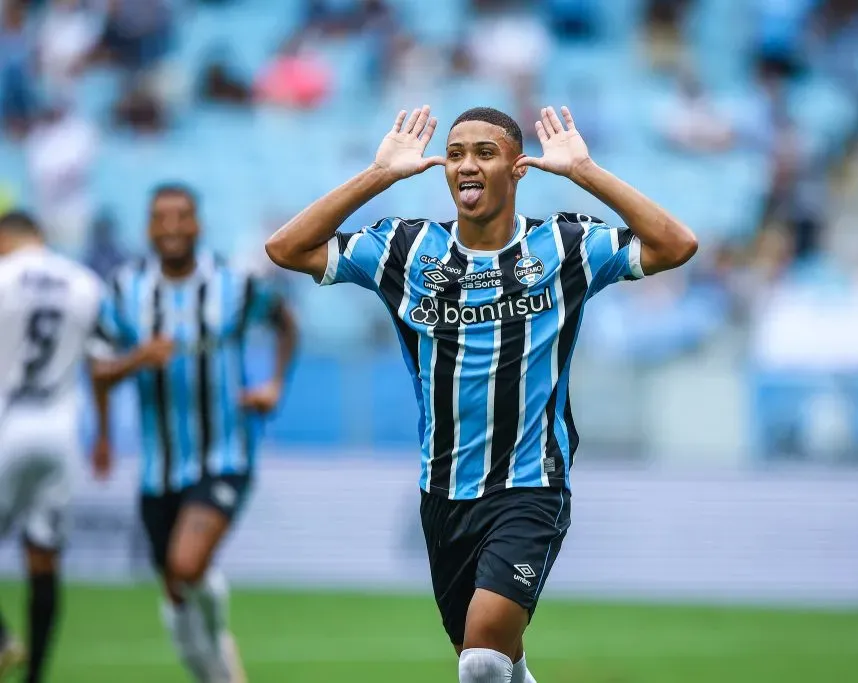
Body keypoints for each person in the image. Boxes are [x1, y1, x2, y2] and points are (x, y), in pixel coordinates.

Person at [265, 104, 698, 683]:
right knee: (498, 666)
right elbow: (286, 249)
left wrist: (585, 171)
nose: (467, 165)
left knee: (482, 661)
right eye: (456, 153)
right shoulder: (404, 248)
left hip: (530, 485)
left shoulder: (564, 245)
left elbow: (676, 245)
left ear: (519, 169)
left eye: (485, 153)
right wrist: (381, 175)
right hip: (441, 494)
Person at [91, 184, 298, 683]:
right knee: (177, 587)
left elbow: (285, 323)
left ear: (198, 225)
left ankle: (217, 639)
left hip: (225, 454)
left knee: (185, 566)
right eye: (162, 218)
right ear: (148, 228)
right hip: (158, 467)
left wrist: (273, 384)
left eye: (182, 217)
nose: (172, 227)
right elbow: (97, 370)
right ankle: (221, 673)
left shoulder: (233, 283)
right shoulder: (125, 290)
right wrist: (135, 363)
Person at [0, 210, 110, 683]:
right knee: (43, 555)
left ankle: (2, 639)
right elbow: (101, 366)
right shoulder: (83, 282)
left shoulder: (3, 278)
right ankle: (35, 677)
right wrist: (104, 434)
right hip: (60, 432)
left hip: (7, 425)